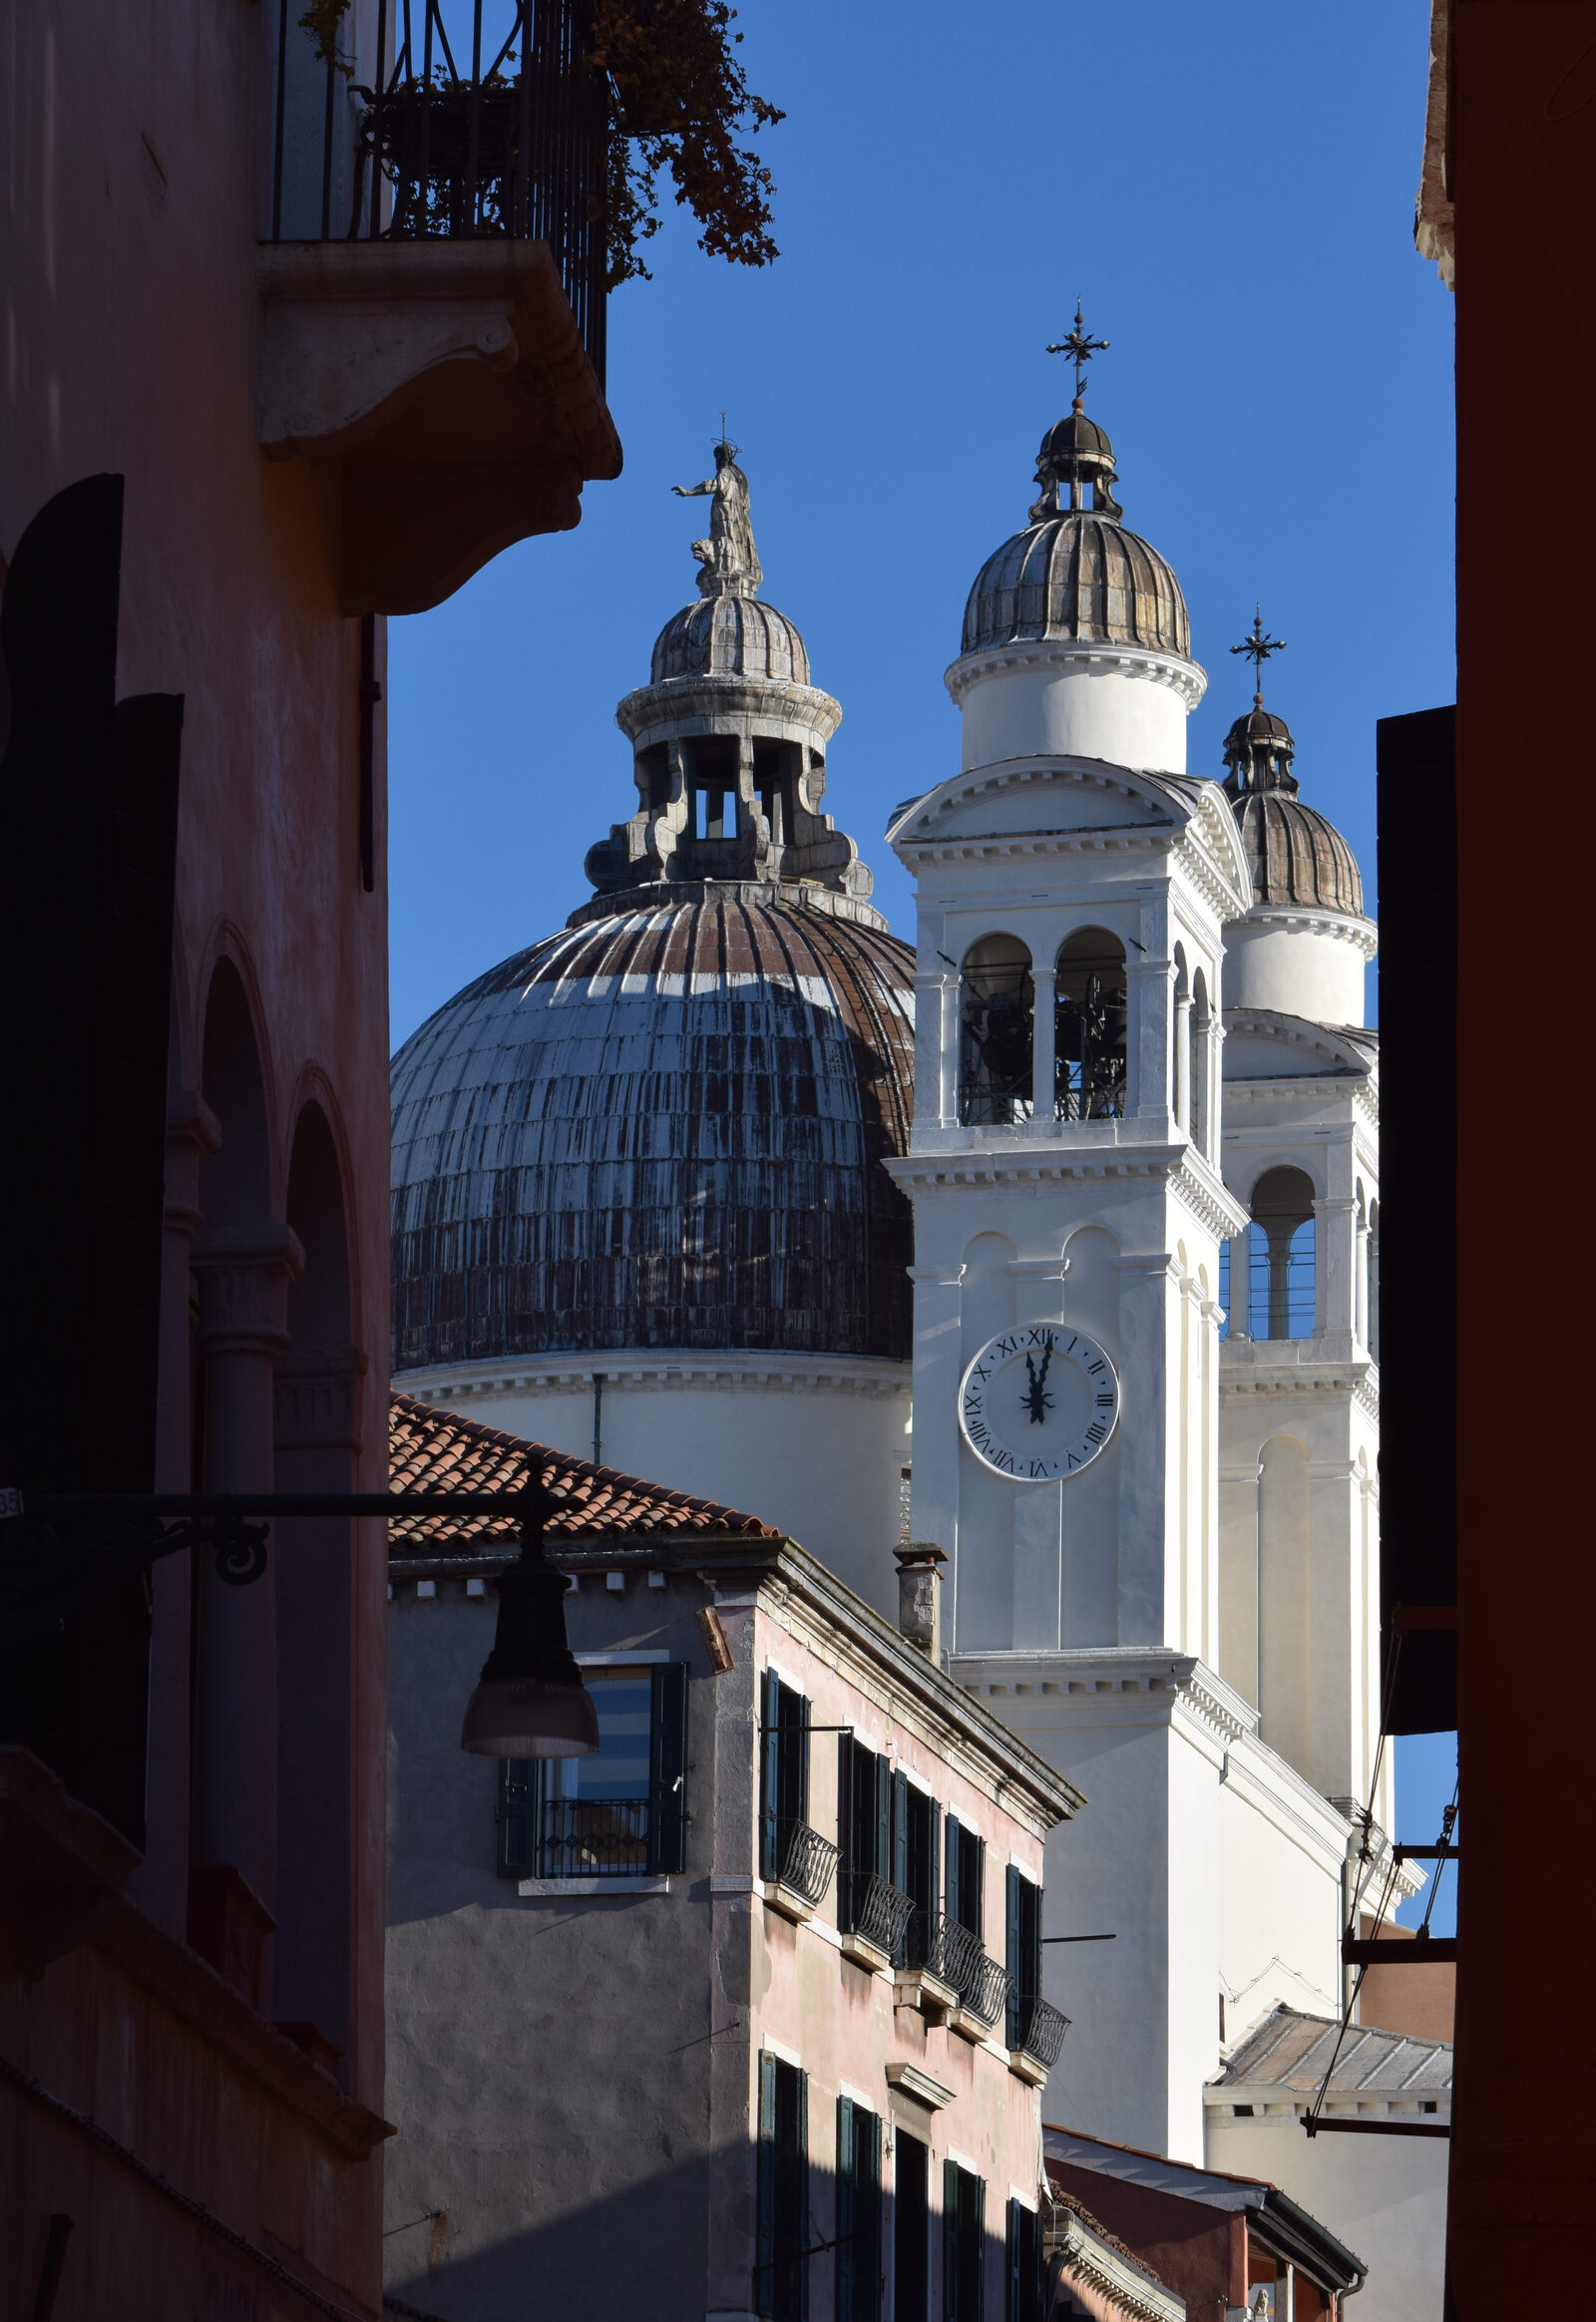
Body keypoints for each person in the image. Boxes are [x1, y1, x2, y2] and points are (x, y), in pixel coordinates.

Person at [671, 439, 762, 595]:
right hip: (734, 518)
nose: (716, 462)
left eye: (717, 458)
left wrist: (688, 492)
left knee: (727, 540)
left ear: (721, 457)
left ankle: (727, 565)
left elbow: (712, 485)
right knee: (733, 541)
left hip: (726, 517)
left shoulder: (725, 473)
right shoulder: (739, 477)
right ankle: (729, 563)